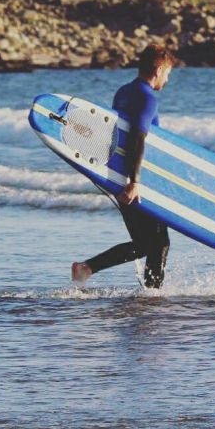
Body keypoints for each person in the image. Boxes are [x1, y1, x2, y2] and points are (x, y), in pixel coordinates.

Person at [71, 44, 176, 289]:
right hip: (135, 181)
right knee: (159, 244)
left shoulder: (124, 92)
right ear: (158, 69)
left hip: (117, 176)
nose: (167, 79)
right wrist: (135, 182)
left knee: (144, 244)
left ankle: (86, 268)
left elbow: (117, 137)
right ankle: (151, 298)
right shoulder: (148, 97)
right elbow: (136, 138)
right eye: (168, 73)